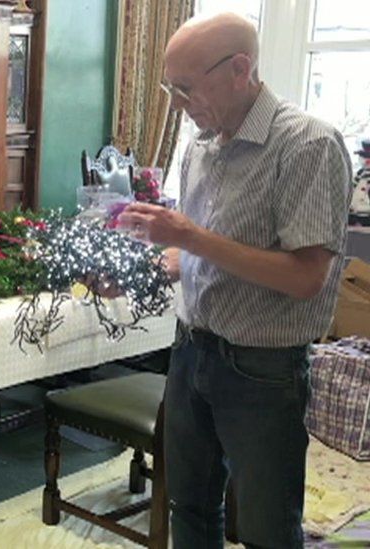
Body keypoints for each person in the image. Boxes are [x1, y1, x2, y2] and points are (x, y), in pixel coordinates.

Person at [118, 12, 351, 549]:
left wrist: (192, 238)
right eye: (168, 88)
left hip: (262, 370)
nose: (177, 103)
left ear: (241, 68)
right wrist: (139, 271)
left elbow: (306, 278)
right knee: (190, 508)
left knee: (267, 527)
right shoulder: (201, 146)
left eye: (184, 87)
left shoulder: (308, 145)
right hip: (190, 350)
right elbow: (197, 256)